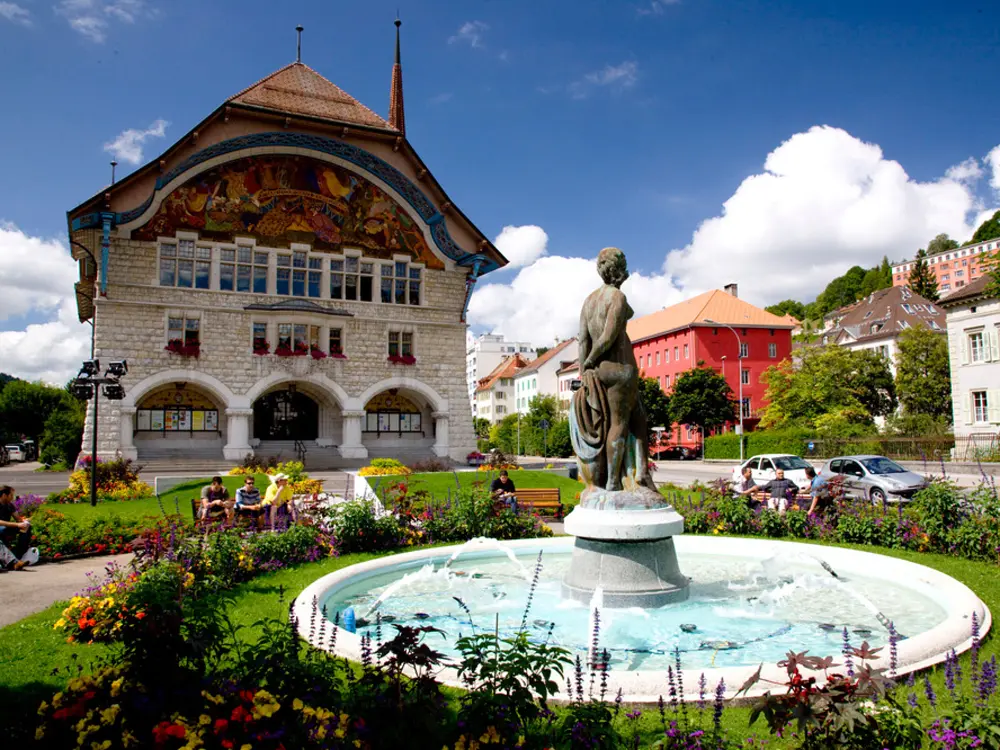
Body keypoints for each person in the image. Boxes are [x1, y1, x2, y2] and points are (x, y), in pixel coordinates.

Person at [0, 486, 39, 571]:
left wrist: (24, 521)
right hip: (2, 527)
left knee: (27, 528)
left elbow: (18, 518)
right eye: (11, 495)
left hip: (6, 527)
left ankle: (19, 555)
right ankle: (14, 562)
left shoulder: (9, 505)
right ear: (4, 495)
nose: (12, 497)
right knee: (3, 529)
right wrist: (17, 525)